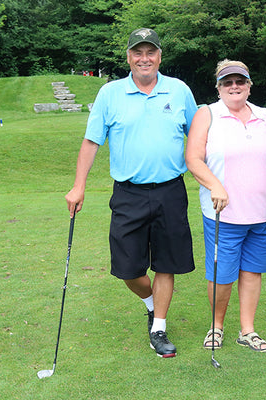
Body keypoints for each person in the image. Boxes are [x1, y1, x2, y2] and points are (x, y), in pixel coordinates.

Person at [65, 28, 198, 358]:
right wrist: (78, 185)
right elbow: (92, 141)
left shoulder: (179, 91)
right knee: (128, 268)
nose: (144, 58)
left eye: (150, 52)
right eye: (137, 52)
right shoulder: (110, 94)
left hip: (170, 191)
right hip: (128, 193)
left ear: (159, 56)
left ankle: (159, 327)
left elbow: (199, 137)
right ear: (128, 57)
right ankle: (152, 305)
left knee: (166, 264)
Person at [185, 60, 266, 352]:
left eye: (240, 81)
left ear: (250, 85)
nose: (234, 87)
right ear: (218, 87)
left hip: (263, 213)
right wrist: (215, 185)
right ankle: (216, 326)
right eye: (227, 82)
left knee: (253, 271)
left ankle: (247, 330)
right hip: (223, 214)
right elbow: (193, 159)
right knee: (222, 275)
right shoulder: (208, 114)